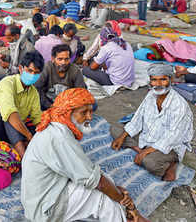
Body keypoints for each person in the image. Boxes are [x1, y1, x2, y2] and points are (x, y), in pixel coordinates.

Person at [21, 88, 147, 222]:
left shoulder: (57, 128)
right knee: (102, 197)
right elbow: (97, 182)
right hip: (45, 209)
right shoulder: (60, 138)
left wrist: (115, 190)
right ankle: (130, 218)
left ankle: (129, 215)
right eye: (84, 112)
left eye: (91, 111)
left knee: (104, 181)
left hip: (46, 195)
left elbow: (90, 174)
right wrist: (121, 199)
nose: (90, 117)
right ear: (68, 113)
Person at [111, 64, 193, 181]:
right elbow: (138, 118)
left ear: (171, 80)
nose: (158, 84)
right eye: (154, 80)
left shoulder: (179, 105)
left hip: (170, 145)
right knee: (116, 129)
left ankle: (172, 164)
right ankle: (139, 150)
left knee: (151, 163)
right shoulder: (151, 95)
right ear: (150, 81)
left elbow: (172, 136)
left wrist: (146, 153)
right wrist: (122, 137)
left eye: (163, 79)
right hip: (148, 135)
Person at [0, 51, 44, 157]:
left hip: (16, 129)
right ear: (21, 69)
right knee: (8, 115)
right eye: (29, 71)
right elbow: (10, 114)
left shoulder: (33, 92)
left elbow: (37, 119)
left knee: (42, 132)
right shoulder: (8, 83)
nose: (32, 75)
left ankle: (18, 145)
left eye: (36, 73)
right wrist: (29, 136)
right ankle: (24, 158)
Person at [35, 44, 86, 110]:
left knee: (92, 104)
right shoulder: (47, 67)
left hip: (68, 103)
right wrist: (50, 106)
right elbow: (37, 88)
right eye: (60, 59)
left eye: (66, 59)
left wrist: (70, 106)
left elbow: (80, 92)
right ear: (53, 59)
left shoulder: (75, 70)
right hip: (48, 101)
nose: (63, 62)